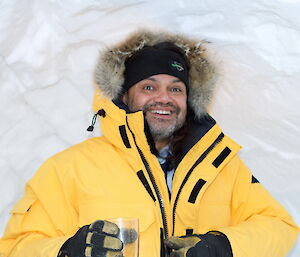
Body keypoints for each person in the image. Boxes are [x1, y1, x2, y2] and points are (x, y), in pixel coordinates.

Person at [0, 29, 298, 257]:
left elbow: (280, 226)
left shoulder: (222, 165)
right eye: (148, 86)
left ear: (188, 99)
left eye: (176, 88)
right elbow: (15, 248)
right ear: (124, 97)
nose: (164, 98)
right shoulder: (68, 168)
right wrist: (66, 250)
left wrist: (225, 245)